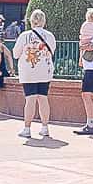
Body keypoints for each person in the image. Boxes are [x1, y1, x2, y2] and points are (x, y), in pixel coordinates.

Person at [15, 10, 57, 140]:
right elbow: (52, 51)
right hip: (45, 71)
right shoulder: (50, 35)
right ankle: (45, 127)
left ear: (31, 21)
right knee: (43, 98)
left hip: (29, 72)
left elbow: (16, 54)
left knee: (30, 99)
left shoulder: (24, 35)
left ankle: (27, 128)